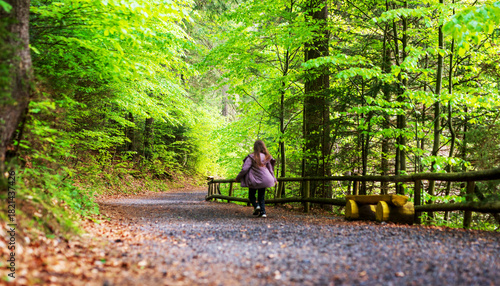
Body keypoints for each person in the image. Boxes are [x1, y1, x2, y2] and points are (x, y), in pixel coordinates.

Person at [235, 140, 277, 218]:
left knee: (251, 196)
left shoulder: (252, 156)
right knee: (261, 196)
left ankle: (256, 205)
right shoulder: (267, 157)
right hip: (265, 179)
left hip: (253, 180)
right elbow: (271, 170)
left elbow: (245, 169)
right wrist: (274, 179)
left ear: (255, 147)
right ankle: (263, 213)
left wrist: (237, 178)